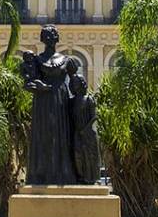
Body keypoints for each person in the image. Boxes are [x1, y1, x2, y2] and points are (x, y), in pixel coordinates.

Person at [22, 25, 78, 184]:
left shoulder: (67, 61)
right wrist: (37, 86)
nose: (49, 38)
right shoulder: (36, 61)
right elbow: (27, 83)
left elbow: (77, 86)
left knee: (63, 135)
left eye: (52, 35)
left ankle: (64, 174)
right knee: (44, 136)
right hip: (43, 102)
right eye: (46, 36)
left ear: (57, 38)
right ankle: (41, 175)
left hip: (62, 100)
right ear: (42, 39)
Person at [69, 73, 100, 185]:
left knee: (89, 156)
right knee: (78, 155)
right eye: (73, 84)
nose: (75, 85)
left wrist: (85, 129)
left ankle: (90, 178)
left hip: (88, 133)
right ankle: (80, 176)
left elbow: (94, 116)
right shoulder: (72, 101)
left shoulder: (89, 99)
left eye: (77, 83)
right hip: (77, 132)